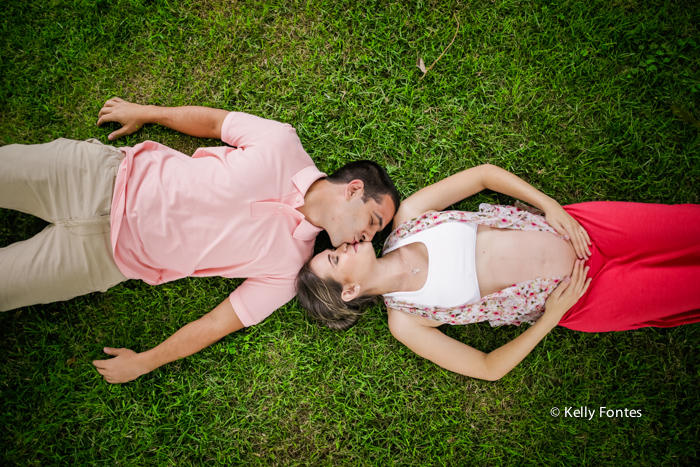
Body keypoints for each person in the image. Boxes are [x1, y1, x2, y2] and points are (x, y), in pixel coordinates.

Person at [0, 97, 400, 383]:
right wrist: (147, 113)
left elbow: (215, 323)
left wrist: (145, 362)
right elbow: (214, 124)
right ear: (353, 190)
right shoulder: (281, 143)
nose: (368, 238)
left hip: (101, 259)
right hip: (96, 176)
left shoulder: (288, 270)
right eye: (373, 221)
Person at [296, 164, 700, 381]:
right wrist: (553, 319)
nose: (343, 243)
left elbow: (484, 175)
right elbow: (488, 369)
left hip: (583, 229)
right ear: (349, 291)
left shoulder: (409, 218)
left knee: (689, 226)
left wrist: (552, 205)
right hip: (585, 296)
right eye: (334, 259)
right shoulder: (405, 320)